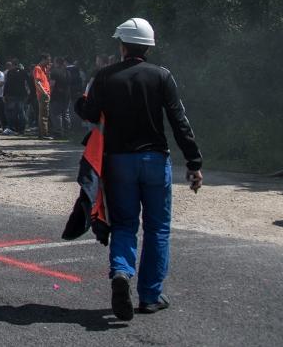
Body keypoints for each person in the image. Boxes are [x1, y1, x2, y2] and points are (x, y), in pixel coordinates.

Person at [75, 17, 203, 320]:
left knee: (124, 225)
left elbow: (89, 112)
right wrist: (194, 162)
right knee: (157, 228)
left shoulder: (105, 77)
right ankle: (150, 296)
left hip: (119, 161)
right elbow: (178, 121)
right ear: (149, 47)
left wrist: (82, 101)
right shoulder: (161, 76)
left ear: (121, 46)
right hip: (155, 161)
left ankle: (121, 271)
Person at [3, 60, 29, 134]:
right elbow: (27, 82)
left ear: (13, 65)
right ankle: (22, 128)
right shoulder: (23, 72)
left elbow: (7, 84)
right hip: (22, 94)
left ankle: (13, 128)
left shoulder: (10, 72)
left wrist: (4, 94)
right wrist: (27, 93)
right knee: (22, 112)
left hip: (11, 95)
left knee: (12, 112)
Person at [49, 56, 71, 138]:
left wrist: (49, 94)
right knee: (65, 114)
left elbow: (52, 85)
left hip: (56, 96)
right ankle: (67, 131)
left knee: (56, 114)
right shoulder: (67, 72)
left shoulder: (54, 72)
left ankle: (58, 132)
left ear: (56, 62)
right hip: (66, 96)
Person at [33, 54, 52, 139]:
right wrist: (44, 92)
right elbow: (38, 82)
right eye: (48, 60)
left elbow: (47, 79)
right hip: (43, 94)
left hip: (46, 94)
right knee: (44, 114)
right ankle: (44, 134)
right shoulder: (38, 68)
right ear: (43, 59)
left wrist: (48, 71)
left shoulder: (44, 69)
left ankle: (42, 134)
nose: (49, 62)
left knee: (44, 114)